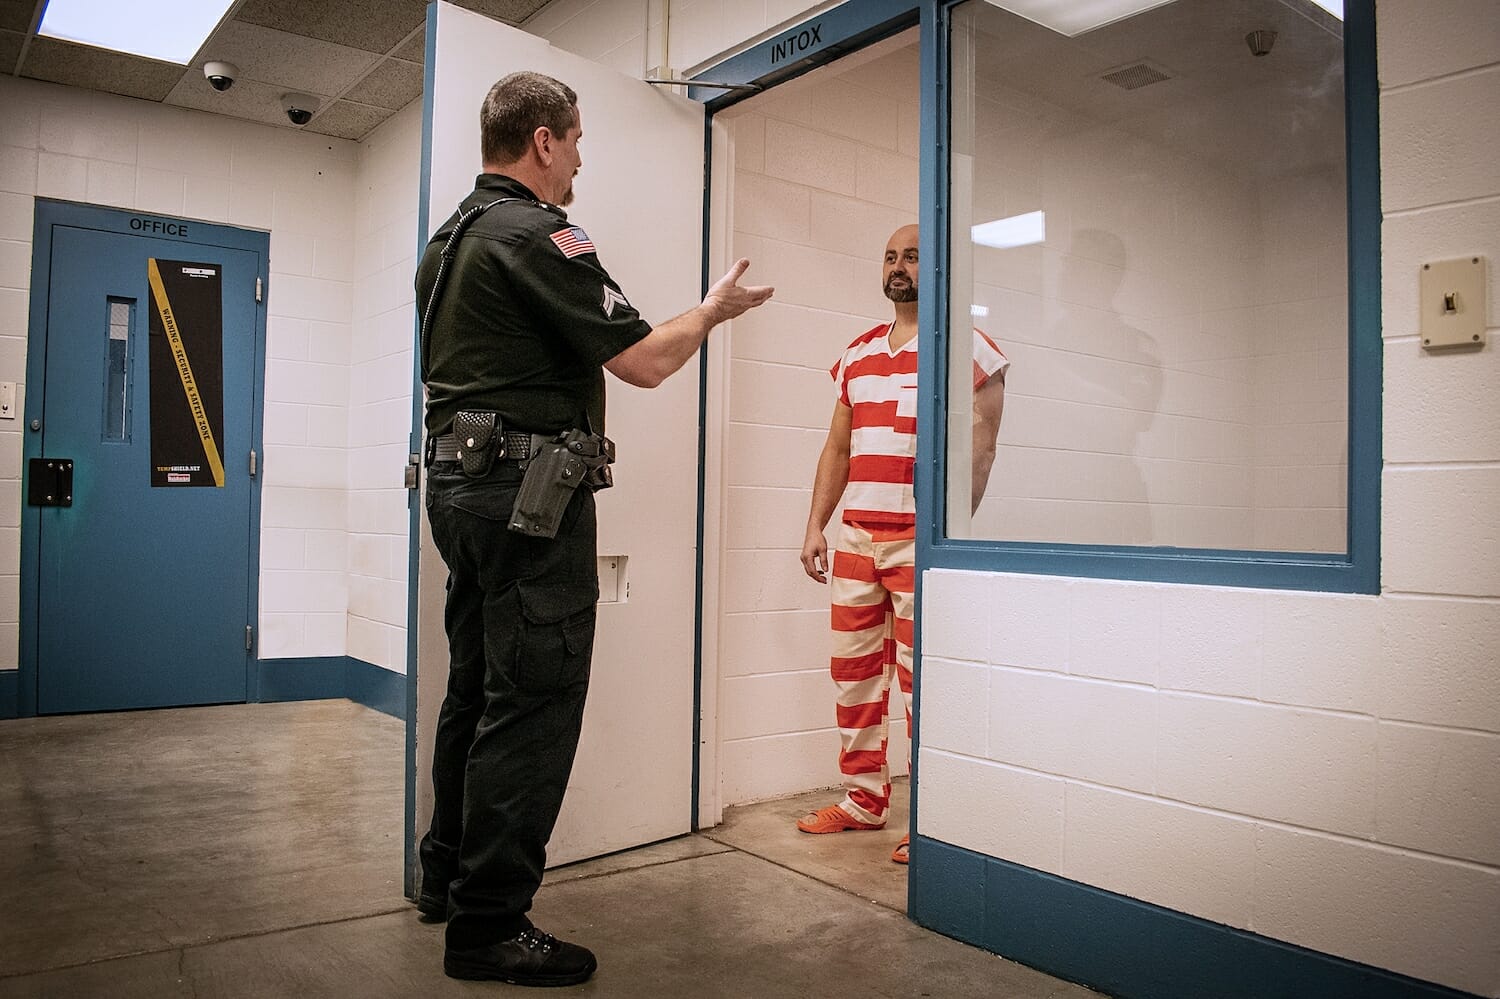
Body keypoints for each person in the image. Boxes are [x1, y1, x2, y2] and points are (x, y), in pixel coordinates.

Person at [414, 70, 771, 987]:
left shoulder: (446, 240)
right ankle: (488, 924)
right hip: (526, 502)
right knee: (533, 698)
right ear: (542, 141)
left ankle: (446, 876)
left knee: (478, 685)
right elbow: (647, 361)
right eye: (574, 140)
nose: (579, 158)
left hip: (457, 490)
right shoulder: (538, 235)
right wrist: (712, 311)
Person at [797, 224, 1007, 864]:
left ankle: (935, 819)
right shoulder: (857, 354)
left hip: (922, 544)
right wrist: (816, 525)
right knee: (854, 677)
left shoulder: (965, 348)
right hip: (857, 537)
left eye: (913, 257)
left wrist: (952, 537)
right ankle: (863, 801)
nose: (899, 267)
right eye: (890, 256)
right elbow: (838, 446)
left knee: (926, 685)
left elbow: (982, 445)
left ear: (937, 269)